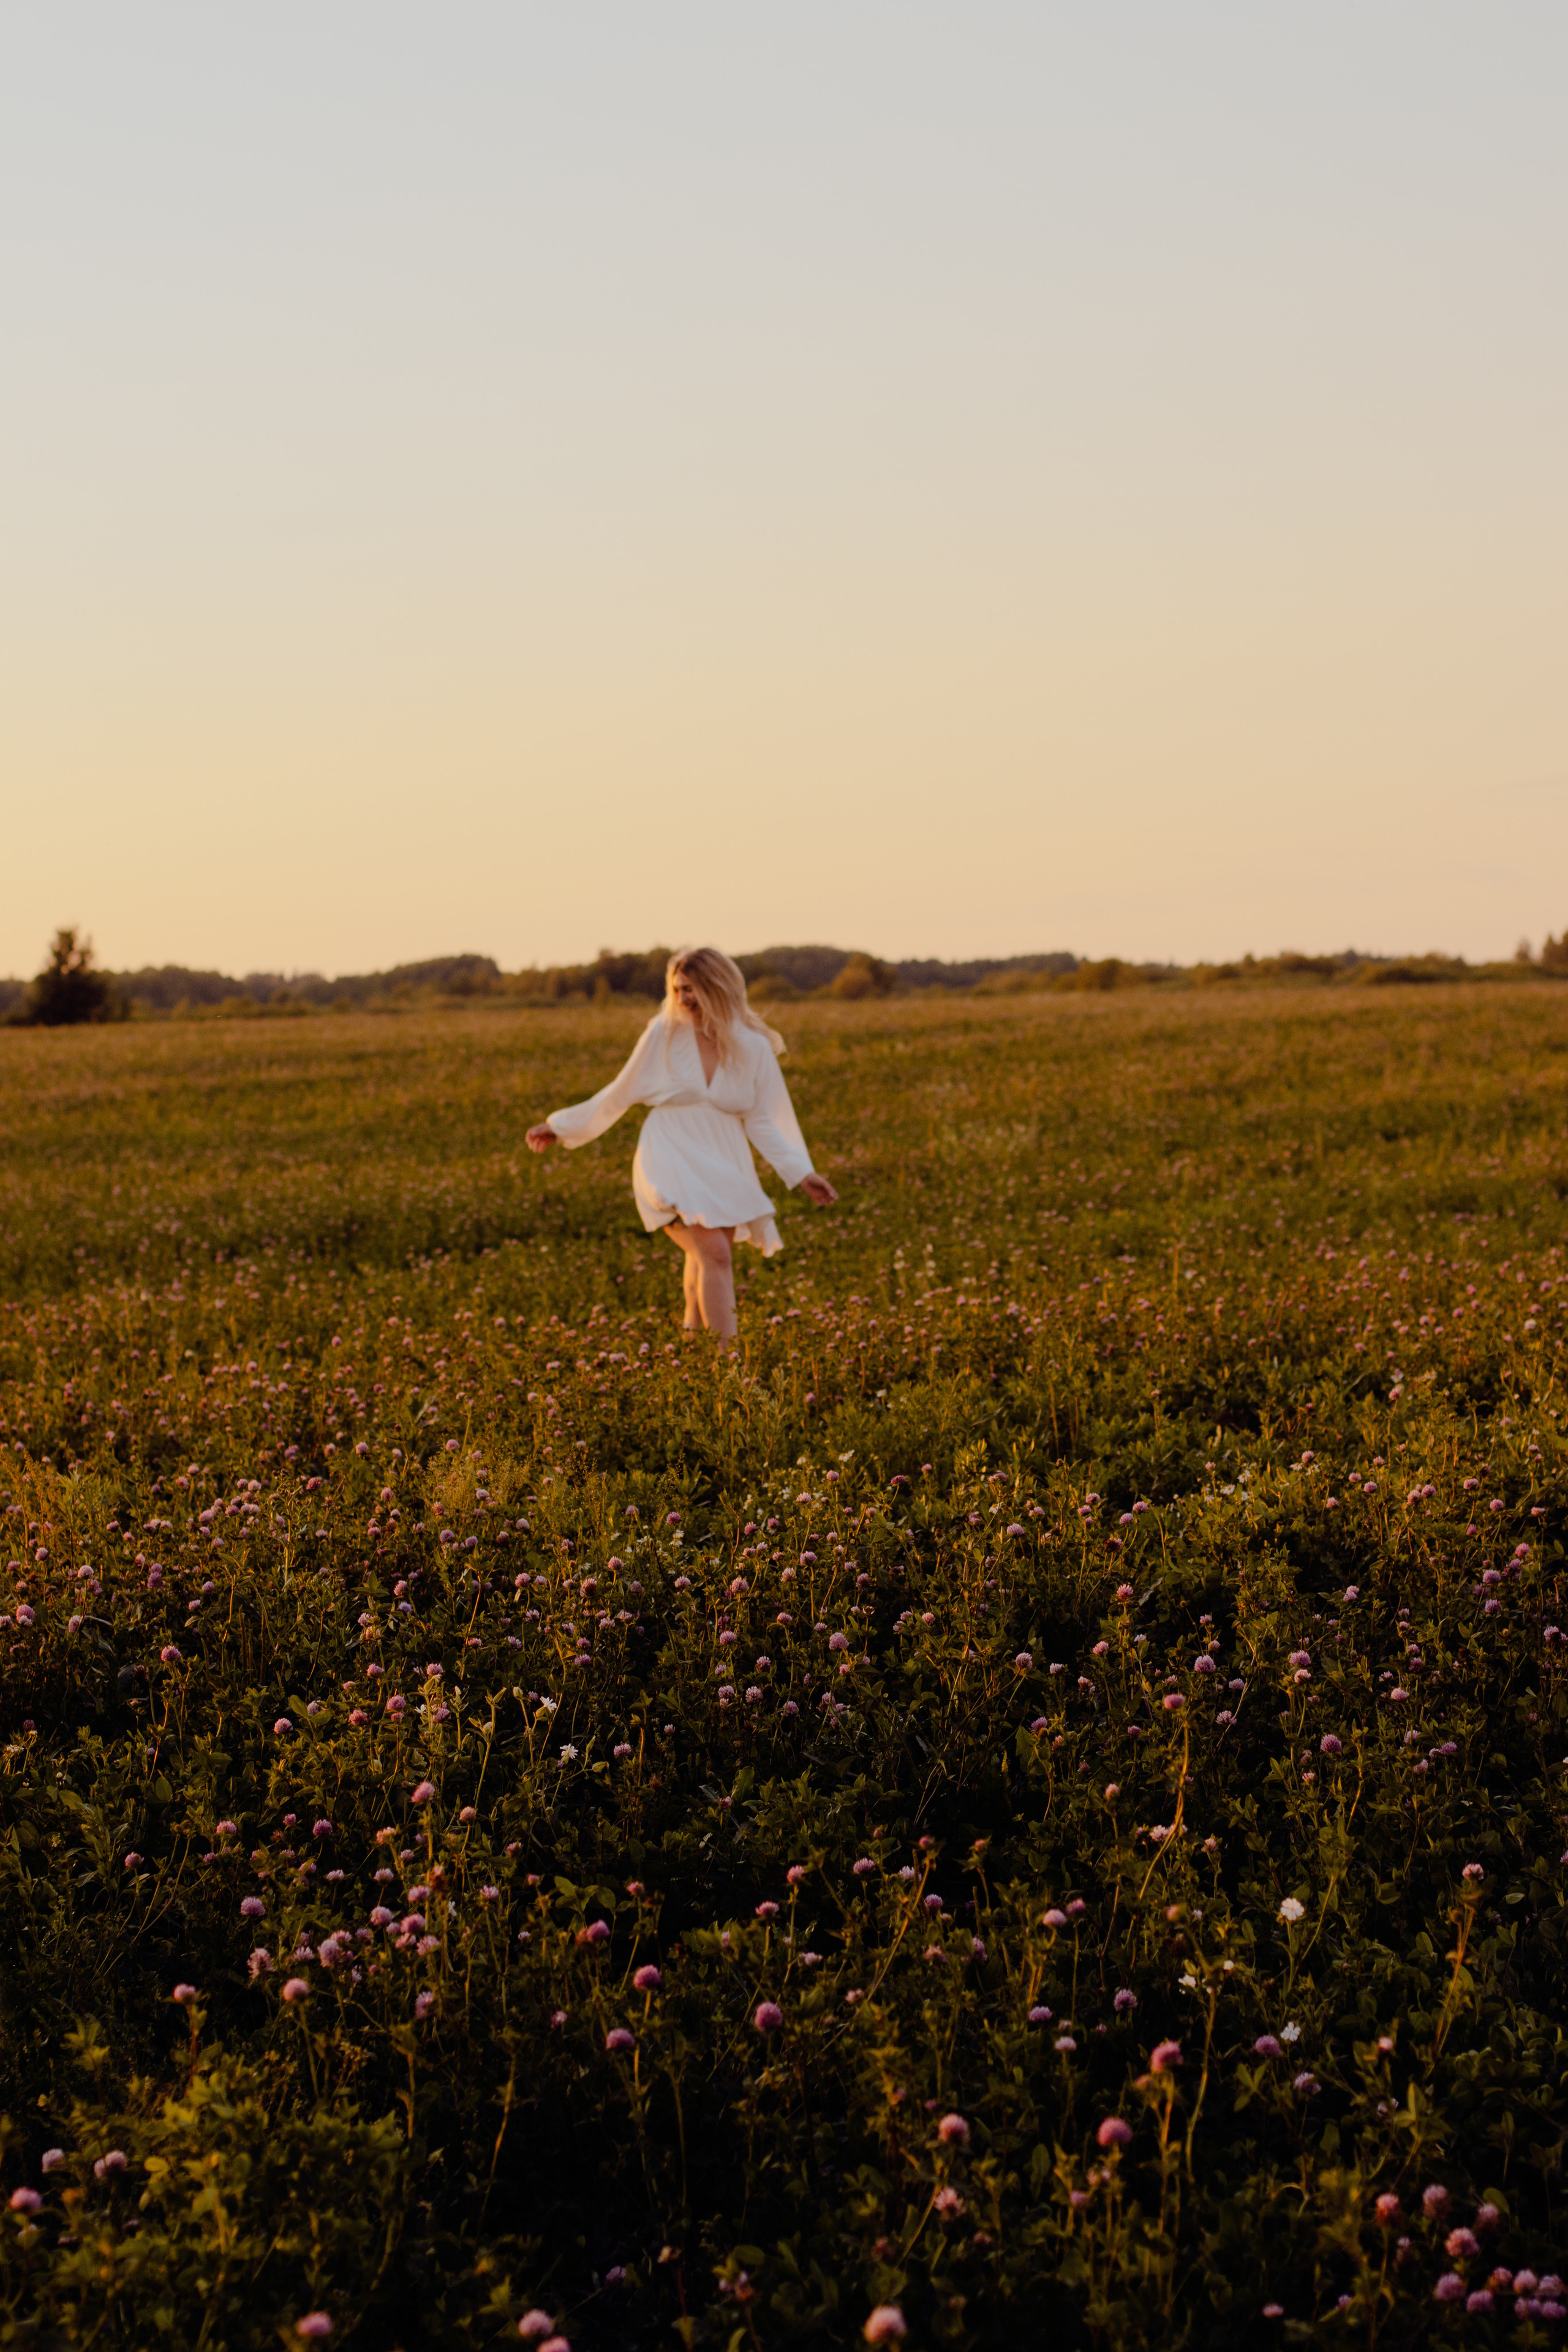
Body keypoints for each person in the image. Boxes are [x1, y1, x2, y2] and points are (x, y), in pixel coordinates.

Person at [526, 948, 837, 1344]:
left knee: (706, 1259)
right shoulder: (664, 1032)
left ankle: (692, 1357)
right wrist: (562, 1127)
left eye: (691, 988)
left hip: (724, 1158)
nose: (684, 997)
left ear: (718, 986)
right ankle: (729, 1368)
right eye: (677, 989)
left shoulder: (753, 1046)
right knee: (717, 1254)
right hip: (670, 1151)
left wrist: (802, 1174)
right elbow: (621, 1091)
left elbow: (764, 1121)